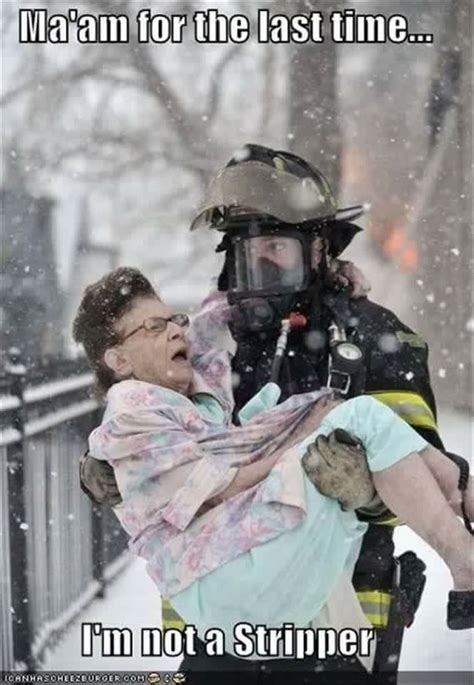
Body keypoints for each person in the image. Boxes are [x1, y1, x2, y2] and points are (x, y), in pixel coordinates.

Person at [79, 144, 471, 679]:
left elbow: (421, 468)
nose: (259, 263)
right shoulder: (209, 342)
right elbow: (148, 430)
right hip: (215, 632)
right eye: (246, 249)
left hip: (337, 627)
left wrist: (368, 493)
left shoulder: (374, 336)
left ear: (317, 250)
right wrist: (105, 469)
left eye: (276, 246)